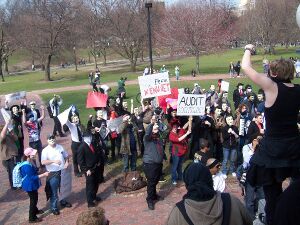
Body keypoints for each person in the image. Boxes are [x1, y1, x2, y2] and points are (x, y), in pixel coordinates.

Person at [242, 44, 300, 225]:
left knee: (272, 195)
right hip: (294, 146)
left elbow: (245, 67)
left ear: (274, 74)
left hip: (274, 148)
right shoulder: (298, 90)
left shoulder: (272, 86)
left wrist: (248, 49)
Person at [166, 162, 252, 225]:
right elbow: (248, 222)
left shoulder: (178, 213)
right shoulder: (232, 201)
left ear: (187, 184)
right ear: (210, 180)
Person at [41, 135, 72, 215]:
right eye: (50, 139)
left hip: (62, 171)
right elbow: (43, 162)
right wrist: (53, 161)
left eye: (53, 138)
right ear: (47, 141)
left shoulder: (60, 147)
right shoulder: (45, 150)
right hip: (52, 173)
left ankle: (63, 201)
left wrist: (67, 163)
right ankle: (54, 207)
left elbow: (66, 156)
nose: (52, 140)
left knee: (63, 188)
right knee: (53, 191)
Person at [20, 147, 49, 223]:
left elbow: (33, 171)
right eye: (33, 155)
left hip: (31, 185)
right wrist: (43, 174)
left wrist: (37, 170)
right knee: (33, 200)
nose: (35, 155)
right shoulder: (26, 166)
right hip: (30, 185)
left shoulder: (29, 162)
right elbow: (32, 177)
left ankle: (35, 210)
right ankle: (32, 218)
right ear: (28, 156)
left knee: (34, 198)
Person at [143, 116, 164, 210]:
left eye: (157, 128)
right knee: (151, 182)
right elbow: (147, 133)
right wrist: (152, 124)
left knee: (155, 181)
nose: (157, 130)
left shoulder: (158, 138)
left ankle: (154, 195)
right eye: (155, 129)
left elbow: (166, 130)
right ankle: (150, 199)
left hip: (158, 163)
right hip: (150, 164)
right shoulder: (147, 138)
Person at [78, 131, 103, 207]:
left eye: (90, 136)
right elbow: (80, 161)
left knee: (96, 183)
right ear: (84, 138)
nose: (89, 138)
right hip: (89, 170)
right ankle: (90, 202)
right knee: (90, 186)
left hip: (96, 167)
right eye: (87, 137)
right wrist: (86, 170)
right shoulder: (82, 147)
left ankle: (94, 196)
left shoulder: (93, 144)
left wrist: (98, 162)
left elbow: (96, 153)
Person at [169, 120, 191, 185]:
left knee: (180, 165)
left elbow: (184, 127)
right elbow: (179, 139)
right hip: (176, 153)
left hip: (182, 152)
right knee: (175, 166)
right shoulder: (171, 135)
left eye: (176, 127)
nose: (175, 128)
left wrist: (189, 120)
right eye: (174, 127)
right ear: (172, 127)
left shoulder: (179, 130)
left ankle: (180, 177)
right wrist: (187, 134)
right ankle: (174, 179)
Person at [0, 119, 18, 189]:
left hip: (13, 156)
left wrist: (12, 131)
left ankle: (16, 184)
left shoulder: (8, 135)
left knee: (15, 171)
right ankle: (14, 186)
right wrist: (6, 124)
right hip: (7, 158)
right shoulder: (1, 137)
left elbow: (16, 138)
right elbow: (2, 135)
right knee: (11, 172)